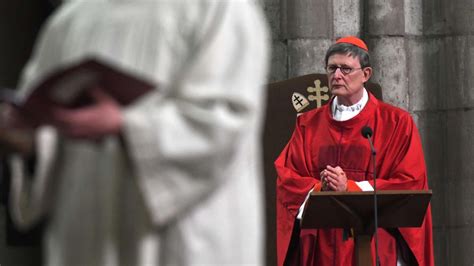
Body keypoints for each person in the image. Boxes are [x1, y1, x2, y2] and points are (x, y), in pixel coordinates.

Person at [0, 0, 269, 265]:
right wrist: (30, 144)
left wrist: (128, 126)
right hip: (83, 236)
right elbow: (41, 118)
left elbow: (225, 121)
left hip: (183, 240)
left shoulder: (220, 9)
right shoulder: (70, 19)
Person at [275, 36, 434, 265]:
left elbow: (410, 182)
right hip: (324, 247)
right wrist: (322, 188)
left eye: (346, 69)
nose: (337, 75)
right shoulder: (308, 124)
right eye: (332, 68)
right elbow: (287, 179)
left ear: (366, 74)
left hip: (376, 242)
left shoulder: (397, 123)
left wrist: (349, 188)